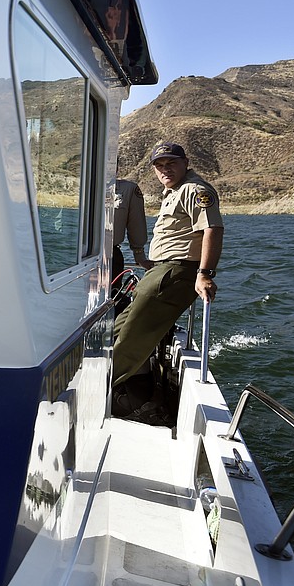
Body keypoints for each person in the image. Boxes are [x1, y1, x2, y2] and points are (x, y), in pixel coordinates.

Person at [112, 142, 224, 411]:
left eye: (171, 163)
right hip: (162, 270)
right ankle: (122, 385)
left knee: (130, 336)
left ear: (186, 162)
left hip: (178, 271)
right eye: (160, 166)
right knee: (119, 326)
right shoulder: (173, 191)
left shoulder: (194, 190)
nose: (165, 170)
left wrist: (205, 274)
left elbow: (213, 229)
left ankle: (97, 387)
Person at [112, 178, 153, 280]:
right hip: (81, 258)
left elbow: (136, 223)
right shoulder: (85, 184)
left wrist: (140, 256)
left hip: (111, 257)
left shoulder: (128, 189)